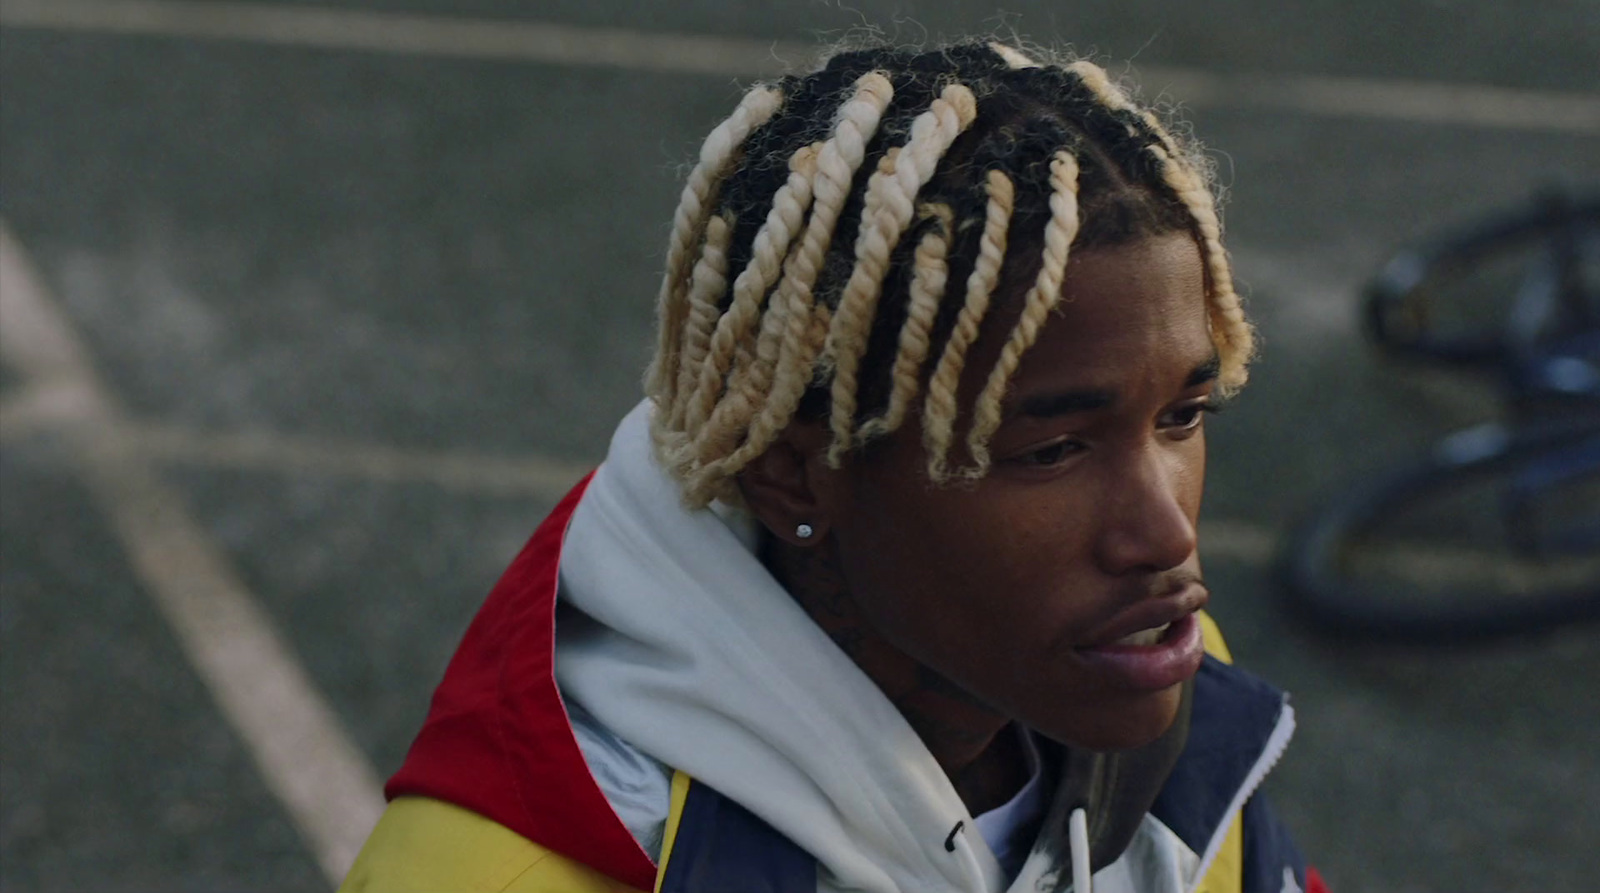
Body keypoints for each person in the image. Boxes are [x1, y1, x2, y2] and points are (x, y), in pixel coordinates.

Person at [341, 39, 1328, 893]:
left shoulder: (1155, 696)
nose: (1164, 532)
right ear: (793, 477)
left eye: (1181, 416)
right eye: (1053, 448)